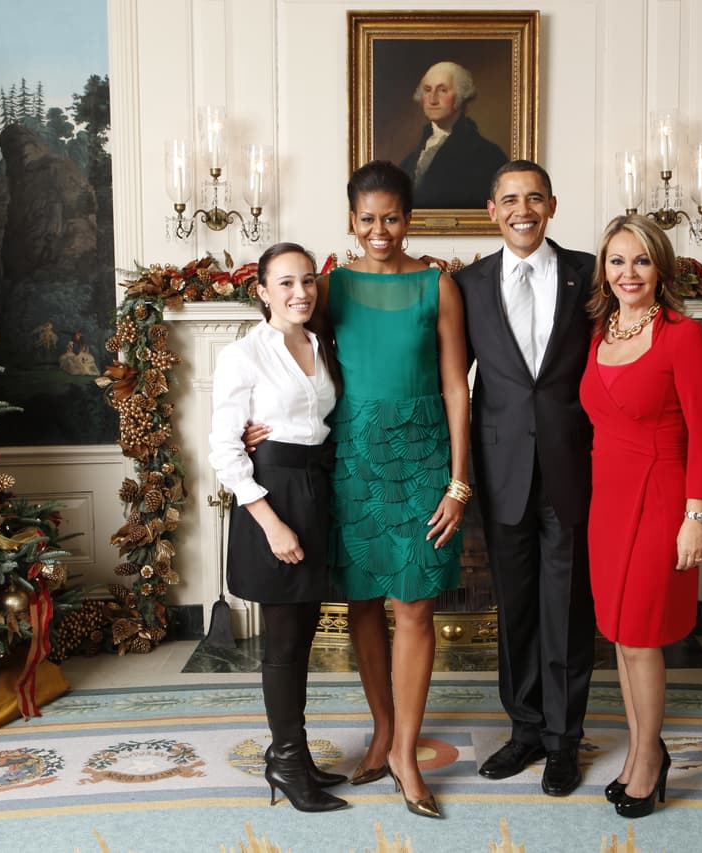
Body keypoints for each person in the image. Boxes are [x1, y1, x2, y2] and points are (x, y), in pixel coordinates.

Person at [325, 160, 470, 818]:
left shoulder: (437, 285)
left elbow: (454, 385)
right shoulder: (333, 287)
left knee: (415, 606)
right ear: (351, 221)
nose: (379, 229)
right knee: (362, 604)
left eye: (391, 217)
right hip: (353, 456)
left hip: (422, 457)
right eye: (367, 218)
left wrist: (459, 480)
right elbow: (298, 357)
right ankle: (381, 726)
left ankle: (406, 753)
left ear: (408, 219)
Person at [453, 160, 597, 797]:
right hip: (501, 464)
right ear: (492, 210)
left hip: (573, 461)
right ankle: (526, 730)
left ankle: (565, 741)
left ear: (553, 205)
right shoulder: (467, 284)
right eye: (510, 199)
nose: (523, 209)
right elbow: (455, 380)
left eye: (534, 197)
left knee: (566, 609)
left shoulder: (591, 274)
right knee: (513, 609)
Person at [578, 214, 702, 818]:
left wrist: (698, 515)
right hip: (606, 502)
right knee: (618, 637)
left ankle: (648, 764)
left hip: (662, 499)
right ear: (604, 270)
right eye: (616, 261)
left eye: (640, 260)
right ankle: (644, 753)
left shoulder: (683, 336)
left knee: (641, 637)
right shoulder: (598, 332)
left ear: (660, 266)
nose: (628, 273)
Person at [207, 243, 348, 813]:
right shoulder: (243, 355)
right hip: (274, 498)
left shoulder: (322, 345)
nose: (300, 292)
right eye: (285, 283)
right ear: (262, 292)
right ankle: (286, 761)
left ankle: (295, 753)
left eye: (308, 281)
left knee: (303, 635)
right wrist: (270, 522)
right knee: (285, 642)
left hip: (315, 491)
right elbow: (223, 447)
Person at [399, 61, 507, 209]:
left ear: (461, 96)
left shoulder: (488, 156)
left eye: (442, 90)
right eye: (427, 90)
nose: (432, 100)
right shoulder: (409, 161)